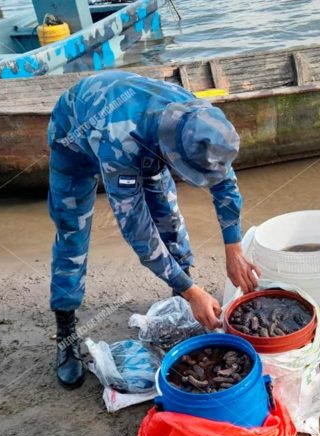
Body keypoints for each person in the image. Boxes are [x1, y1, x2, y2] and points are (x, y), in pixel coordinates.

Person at [47, 71, 261, 389]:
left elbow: (225, 184)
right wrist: (194, 290)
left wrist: (235, 249)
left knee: (170, 224)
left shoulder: (200, 122)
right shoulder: (120, 142)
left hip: (144, 141)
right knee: (73, 236)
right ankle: (66, 336)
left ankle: (182, 309)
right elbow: (138, 231)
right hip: (74, 139)